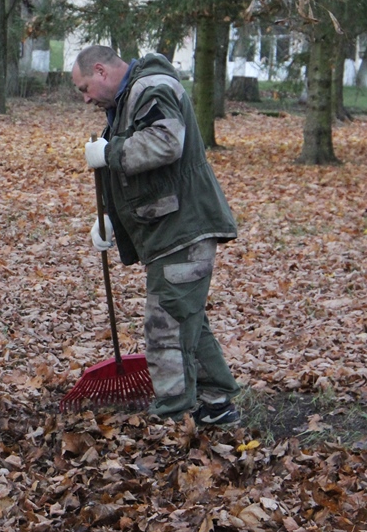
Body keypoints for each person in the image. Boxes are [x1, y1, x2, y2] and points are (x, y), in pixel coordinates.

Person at [71, 45, 241, 426]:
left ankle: (174, 416)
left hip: (185, 227)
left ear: (100, 71)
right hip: (172, 227)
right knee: (186, 319)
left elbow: (166, 143)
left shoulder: (153, 88)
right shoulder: (128, 99)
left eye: (84, 87)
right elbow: (143, 177)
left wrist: (110, 151)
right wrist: (112, 221)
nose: (85, 99)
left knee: (165, 324)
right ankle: (216, 405)